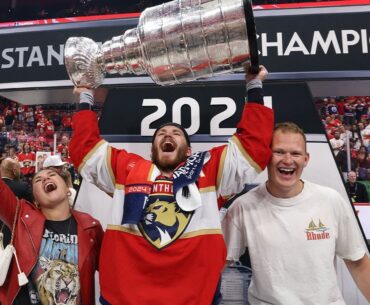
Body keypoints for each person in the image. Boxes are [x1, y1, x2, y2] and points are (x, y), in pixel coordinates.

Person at [70, 65, 274, 305]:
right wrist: (85, 95)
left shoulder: (209, 169)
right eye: (161, 134)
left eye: (176, 133)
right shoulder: (126, 169)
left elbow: (253, 147)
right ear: (153, 149)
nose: (167, 135)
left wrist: (254, 85)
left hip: (193, 298)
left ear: (189, 150)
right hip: (126, 298)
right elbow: (85, 149)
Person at [222, 122, 370, 305]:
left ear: (306, 159)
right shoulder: (243, 207)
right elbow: (217, 264)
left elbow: (357, 262)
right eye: (279, 152)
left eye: (295, 153)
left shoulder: (330, 200)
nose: (287, 160)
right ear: (266, 155)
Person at [0, 168, 103, 305]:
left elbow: (116, 271)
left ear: (67, 189)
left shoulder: (91, 227)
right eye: (38, 179)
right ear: (35, 199)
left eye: (52, 175)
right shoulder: (20, 217)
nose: (45, 179)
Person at [0, 158, 32, 248]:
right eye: (19, 168)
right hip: (14, 239)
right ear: (14, 170)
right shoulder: (23, 187)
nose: (20, 171)